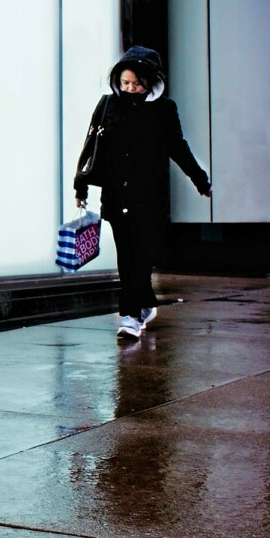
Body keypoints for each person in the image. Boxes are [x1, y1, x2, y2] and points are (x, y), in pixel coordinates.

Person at [74, 46, 211, 340]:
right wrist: (80, 185)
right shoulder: (107, 105)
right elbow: (91, 148)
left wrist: (200, 180)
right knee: (128, 258)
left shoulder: (163, 109)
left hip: (150, 197)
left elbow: (178, 148)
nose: (130, 89)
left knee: (142, 257)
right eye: (125, 83)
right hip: (116, 195)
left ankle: (135, 312)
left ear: (149, 82)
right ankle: (133, 314)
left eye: (136, 84)